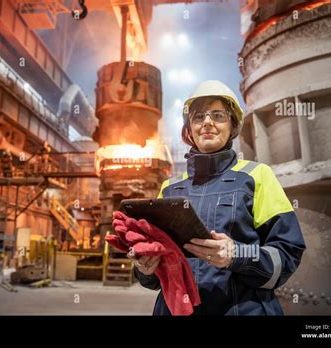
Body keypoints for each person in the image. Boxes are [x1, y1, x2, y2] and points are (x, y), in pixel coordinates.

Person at [131, 80, 306, 315]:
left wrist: (237, 255)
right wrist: (146, 267)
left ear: (232, 126)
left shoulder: (256, 176)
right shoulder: (170, 189)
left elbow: (287, 254)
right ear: (189, 131)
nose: (207, 123)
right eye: (198, 117)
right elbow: (156, 277)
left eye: (218, 115)